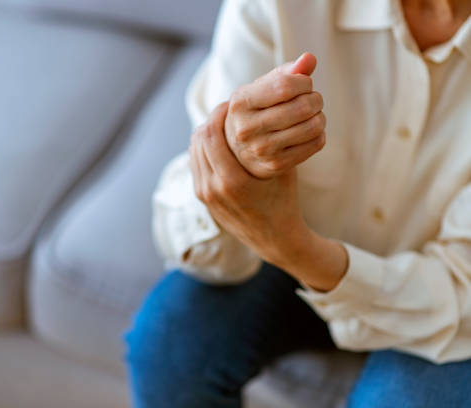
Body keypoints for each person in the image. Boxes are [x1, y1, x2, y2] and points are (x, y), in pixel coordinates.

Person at [125, 0, 471, 406]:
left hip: (446, 290)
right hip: (285, 253)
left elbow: (462, 295)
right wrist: (231, 173)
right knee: (167, 348)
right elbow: (186, 226)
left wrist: (291, 246)